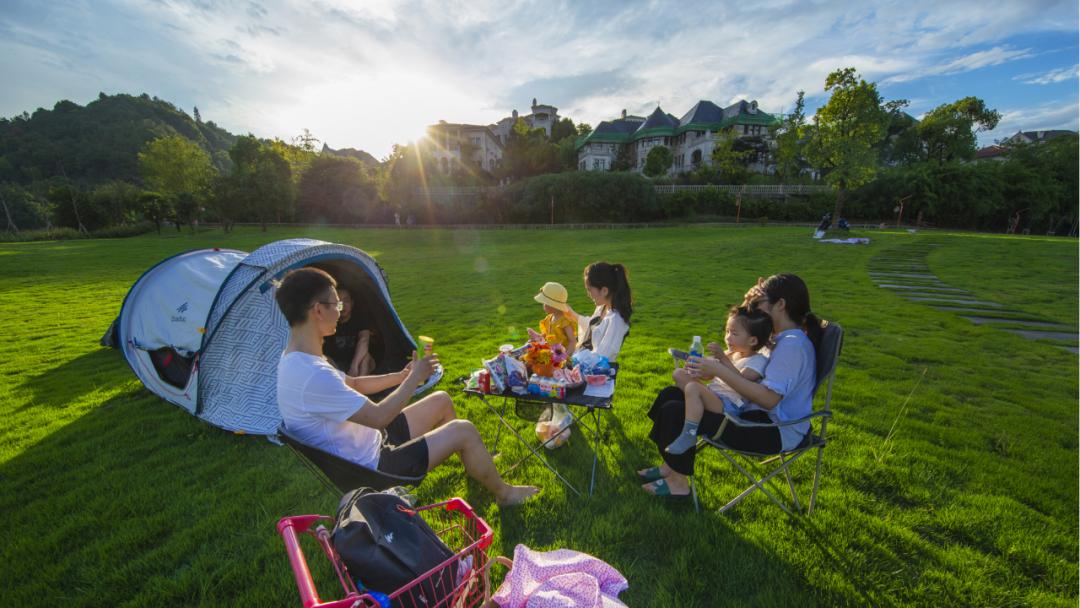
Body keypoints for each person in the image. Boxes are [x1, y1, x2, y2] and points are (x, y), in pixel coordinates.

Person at [275, 268, 539, 506]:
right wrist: (414, 379)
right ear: (318, 310)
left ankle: (474, 463)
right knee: (464, 430)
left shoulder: (297, 360)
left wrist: (402, 376)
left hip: (369, 443)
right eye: (337, 303)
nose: (342, 309)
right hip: (375, 468)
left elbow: (353, 383)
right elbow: (379, 416)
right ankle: (505, 494)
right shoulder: (313, 375)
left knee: (442, 400)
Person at [639, 274, 822, 499]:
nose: (753, 308)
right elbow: (747, 326)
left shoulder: (792, 347)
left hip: (773, 429)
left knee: (675, 410)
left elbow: (769, 400)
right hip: (752, 413)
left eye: (758, 303)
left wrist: (719, 371)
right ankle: (671, 466)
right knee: (671, 394)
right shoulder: (776, 339)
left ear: (781, 304)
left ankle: (678, 483)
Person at [665, 305, 772, 455]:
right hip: (713, 394)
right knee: (678, 374)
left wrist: (722, 359)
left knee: (692, 388)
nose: (728, 337)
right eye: (727, 331)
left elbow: (742, 382)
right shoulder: (731, 354)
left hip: (729, 405)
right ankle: (694, 402)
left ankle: (689, 435)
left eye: (734, 333)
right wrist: (698, 372)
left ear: (753, 340)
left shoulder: (757, 360)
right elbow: (710, 376)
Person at [564, 262, 633, 363]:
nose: (588, 294)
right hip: (582, 364)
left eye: (589, 290)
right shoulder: (603, 308)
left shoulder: (616, 321)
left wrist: (572, 359)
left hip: (594, 373)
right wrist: (571, 314)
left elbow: (601, 358)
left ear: (604, 290)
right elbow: (592, 326)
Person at [322, 286, 377, 377]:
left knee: (366, 357)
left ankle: (361, 384)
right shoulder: (330, 322)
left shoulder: (360, 319)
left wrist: (354, 366)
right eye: (339, 302)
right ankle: (343, 383)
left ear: (352, 303)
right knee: (325, 359)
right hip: (336, 364)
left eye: (346, 301)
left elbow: (364, 340)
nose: (343, 305)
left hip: (356, 361)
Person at [533, 281, 577, 355]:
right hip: (551, 356)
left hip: (562, 357)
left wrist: (565, 357)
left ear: (552, 305)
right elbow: (546, 337)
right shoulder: (548, 319)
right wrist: (537, 338)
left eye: (545, 303)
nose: (543, 305)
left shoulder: (564, 322)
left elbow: (572, 341)